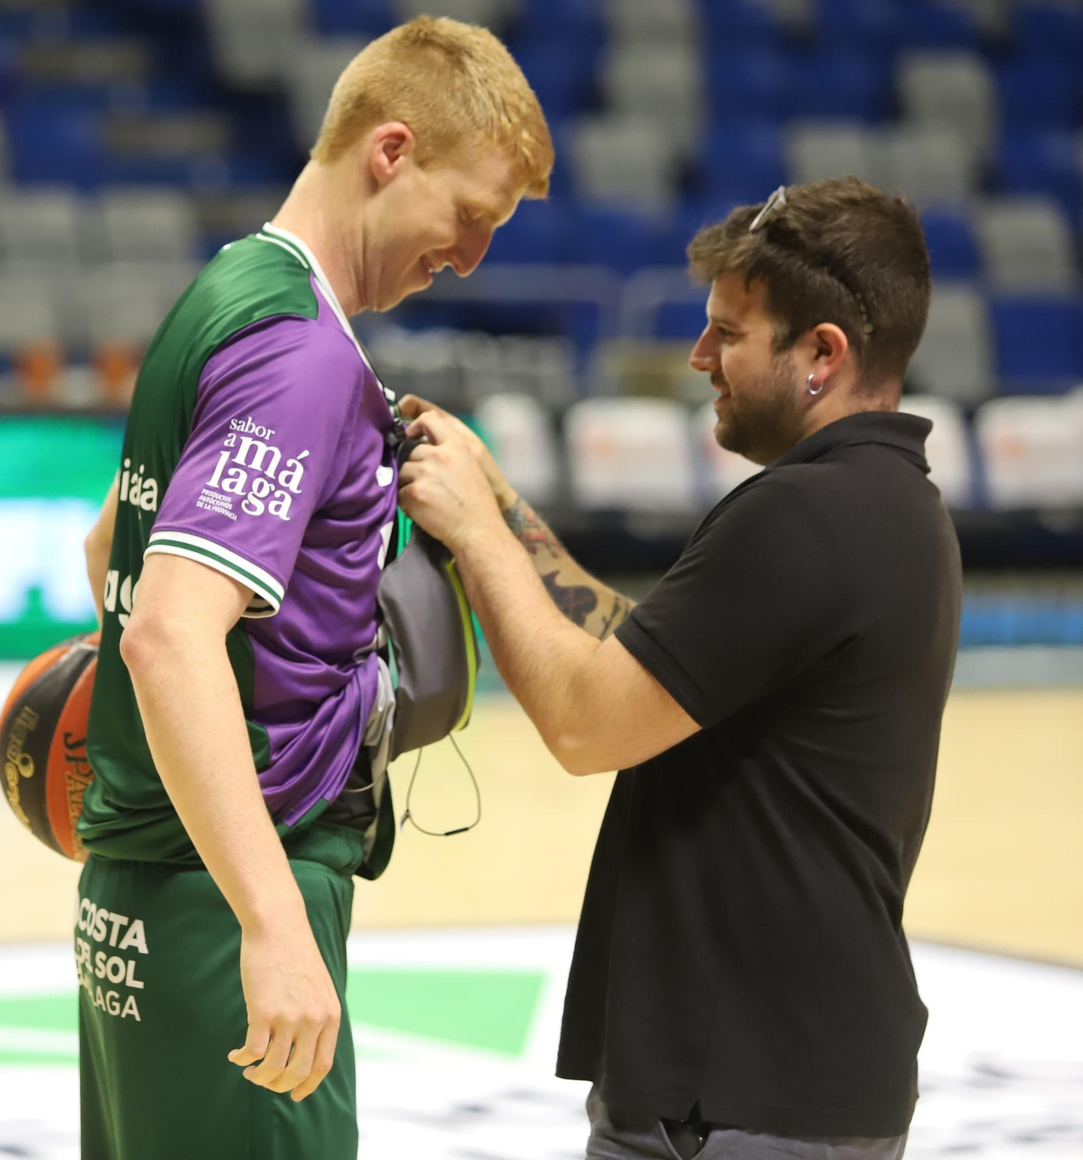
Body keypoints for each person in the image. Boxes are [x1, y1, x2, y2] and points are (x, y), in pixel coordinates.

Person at [397, 177, 962, 1160]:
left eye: (729, 335)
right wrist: (503, 500)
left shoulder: (801, 516)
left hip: (744, 1093)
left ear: (820, 354)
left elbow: (587, 722)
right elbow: (641, 652)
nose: (699, 358)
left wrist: (474, 534)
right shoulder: (890, 504)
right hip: (798, 1080)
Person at [73, 18, 552, 1160]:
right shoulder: (302, 354)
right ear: (391, 152)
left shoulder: (226, 291)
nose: (472, 259)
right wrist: (271, 921)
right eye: (470, 218)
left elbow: (113, 552)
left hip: (148, 892)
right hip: (220, 901)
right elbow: (167, 637)